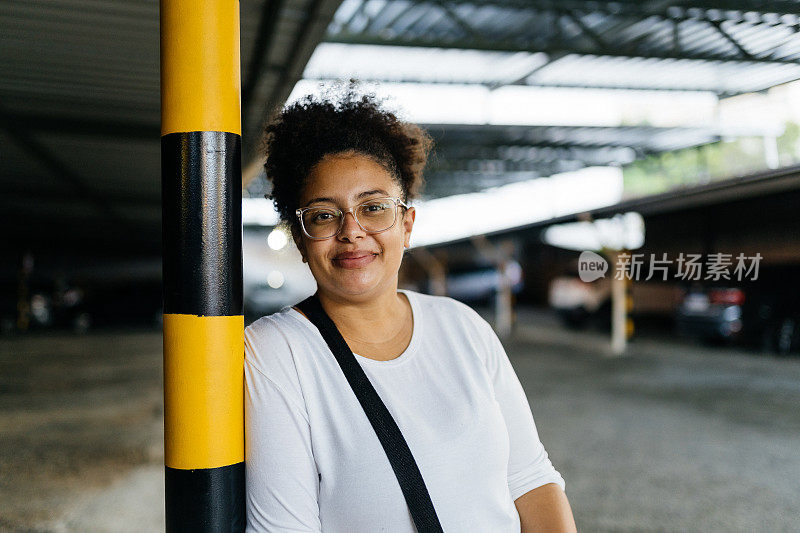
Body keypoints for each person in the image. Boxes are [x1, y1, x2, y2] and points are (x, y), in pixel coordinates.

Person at [244, 84, 577, 532]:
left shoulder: (463, 327)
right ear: (301, 239)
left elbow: (531, 480)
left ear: (407, 224)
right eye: (324, 215)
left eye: (374, 208)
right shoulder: (275, 353)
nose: (352, 231)